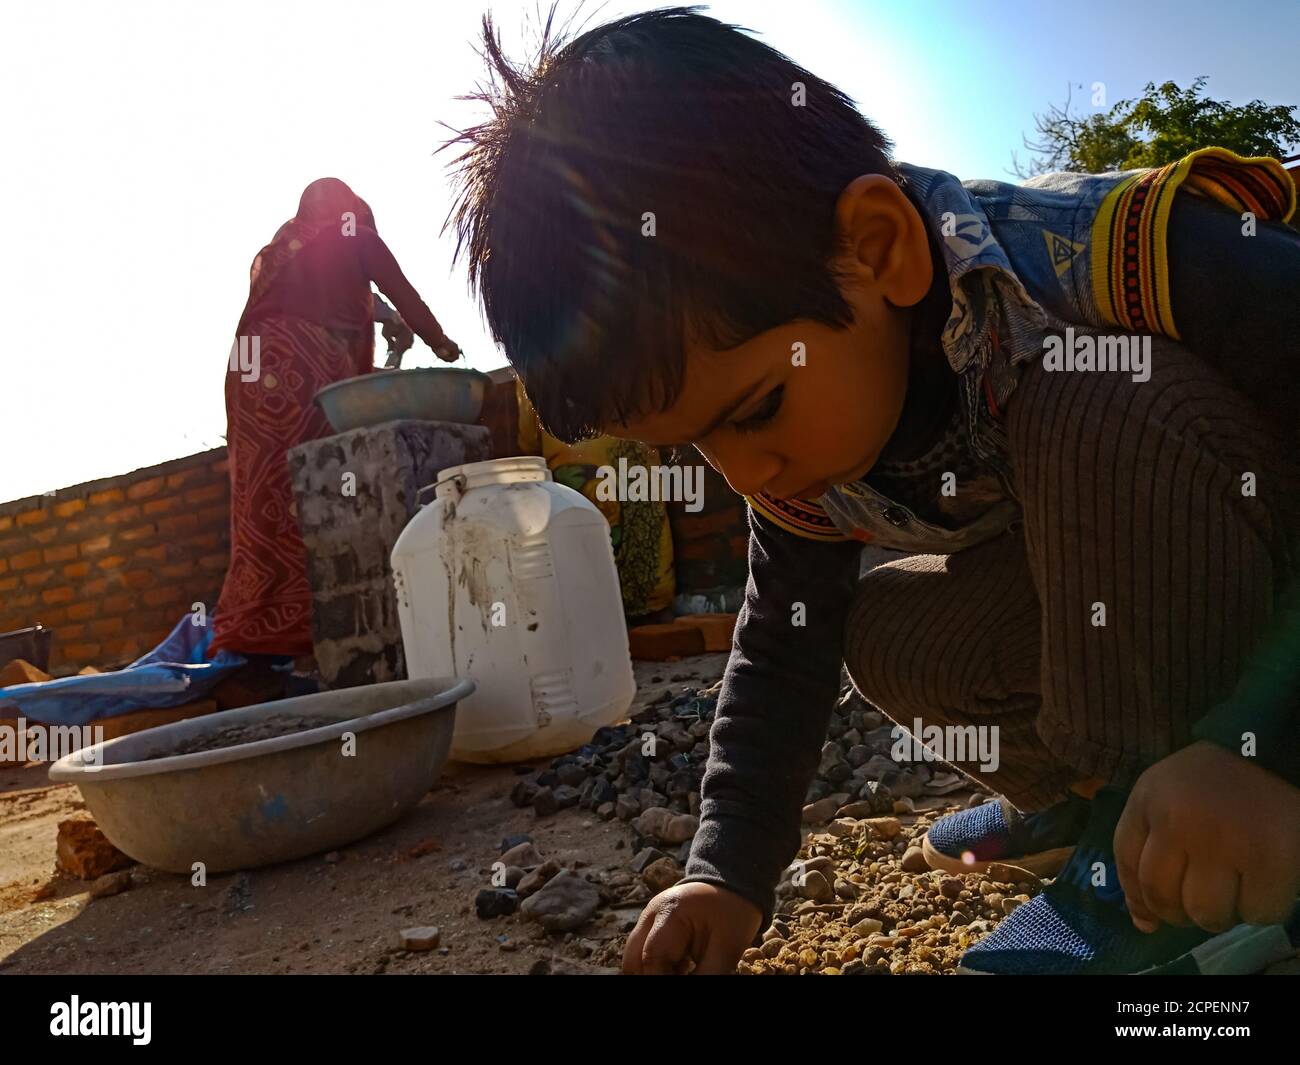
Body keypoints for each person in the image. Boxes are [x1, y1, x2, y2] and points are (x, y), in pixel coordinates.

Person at [444, 10, 1300, 975]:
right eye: (696, 442)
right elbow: (778, 654)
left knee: (1086, 406)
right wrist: (725, 872)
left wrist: (1256, 745)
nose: (746, 473)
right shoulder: (802, 443)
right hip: (1164, 617)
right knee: (877, 626)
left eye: (758, 407)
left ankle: (1163, 878)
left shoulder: (1138, 256)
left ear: (880, 246)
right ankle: (1100, 799)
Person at [210, 177, 461, 659]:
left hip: (249, 367)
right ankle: (305, 626)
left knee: (262, 489)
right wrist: (442, 343)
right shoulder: (358, 238)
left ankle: (255, 625)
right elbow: (400, 294)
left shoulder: (288, 248)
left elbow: (345, 294)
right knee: (319, 482)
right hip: (301, 360)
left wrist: (389, 322)